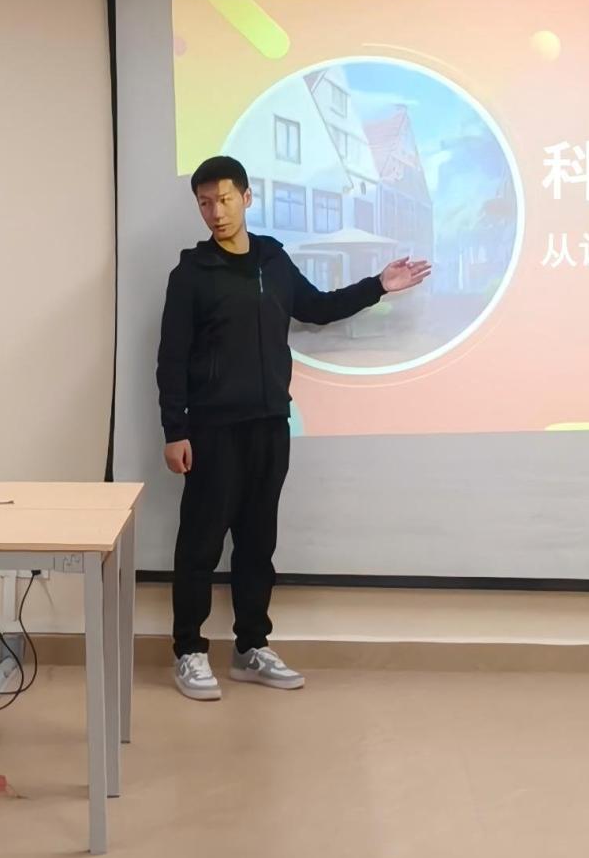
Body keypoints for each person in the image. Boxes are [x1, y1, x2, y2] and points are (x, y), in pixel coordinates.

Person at [156, 156, 430, 700]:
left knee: (258, 543)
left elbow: (317, 308)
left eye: (224, 199)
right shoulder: (190, 275)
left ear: (246, 198)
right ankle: (189, 650)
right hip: (212, 431)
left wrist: (378, 285)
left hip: (269, 426)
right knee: (200, 544)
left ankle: (250, 648)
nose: (216, 212)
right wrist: (174, 430)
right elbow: (172, 358)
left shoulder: (273, 261)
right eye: (205, 203)